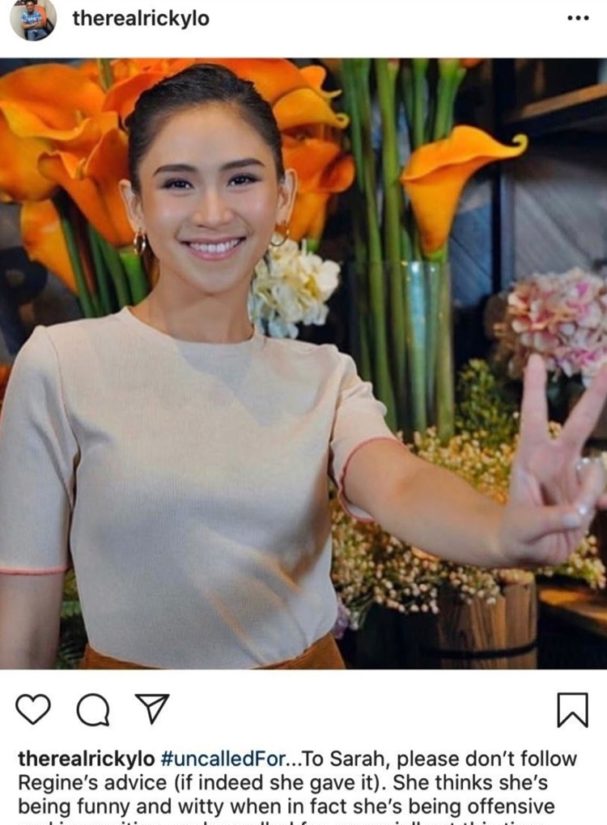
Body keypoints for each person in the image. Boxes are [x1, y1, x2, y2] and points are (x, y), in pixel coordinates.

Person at [0, 63, 606, 670]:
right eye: (178, 183)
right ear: (135, 205)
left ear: (284, 196)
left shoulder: (325, 377)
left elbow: (400, 484)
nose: (213, 212)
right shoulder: (61, 364)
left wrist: (502, 532)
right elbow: (23, 621)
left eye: (241, 179)